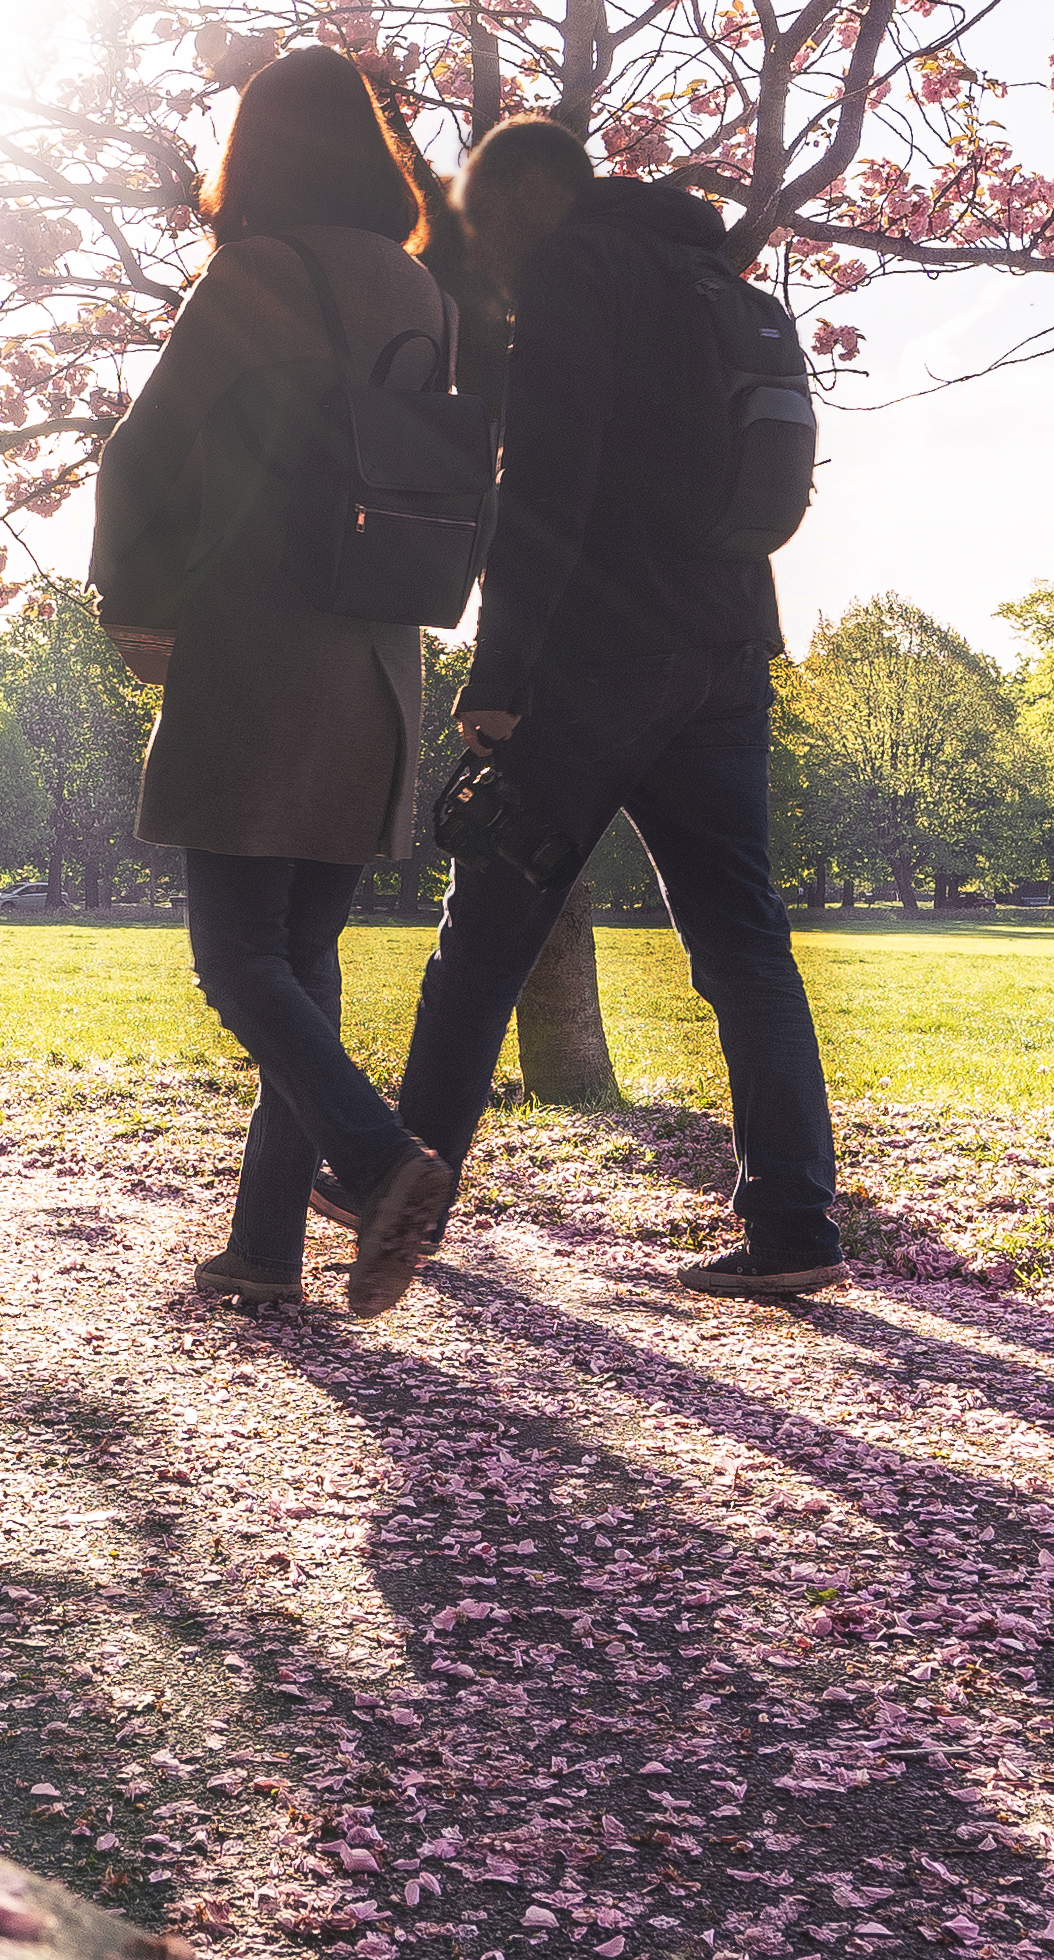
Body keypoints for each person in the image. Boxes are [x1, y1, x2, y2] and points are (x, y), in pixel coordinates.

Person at [351, 116, 840, 1314]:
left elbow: (548, 483)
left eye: (480, 210)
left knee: (484, 934)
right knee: (743, 942)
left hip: (598, 654)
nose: (481, 239)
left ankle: (398, 1180)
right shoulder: (708, 274)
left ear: (527, 189)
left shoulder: (580, 264)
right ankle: (792, 1224)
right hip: (727, 647)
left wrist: (500, 672)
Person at [93, 47, 487, 1309]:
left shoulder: (261, 277)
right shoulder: (423, 293)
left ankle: (376, 1167)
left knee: (235, 958)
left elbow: (142, 454)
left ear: (255, 154)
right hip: (374, 665)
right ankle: (264, 1250)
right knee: (300, 964)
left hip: (259, 654)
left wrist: (134, 607)